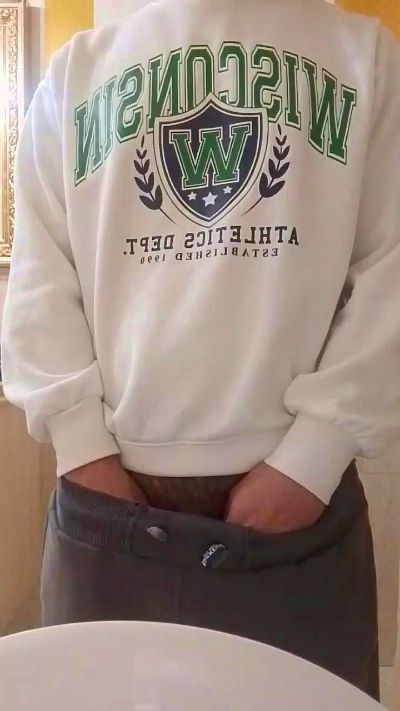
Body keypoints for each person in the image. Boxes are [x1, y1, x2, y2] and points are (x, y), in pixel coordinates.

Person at [2, 0, 400, 701]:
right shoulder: (71, 75)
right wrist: (82, 448)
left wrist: (314, 456)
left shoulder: (367, 57)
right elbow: (40, 277)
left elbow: (392, 266)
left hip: (297, 512)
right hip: (105, 508)